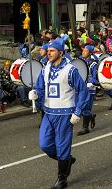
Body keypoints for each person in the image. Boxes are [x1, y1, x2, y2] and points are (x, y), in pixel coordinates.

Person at [28, 38, 89, 189]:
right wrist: (36, 93)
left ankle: (62, 178)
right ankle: (67, 160)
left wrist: (78, 112)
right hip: (48, 113)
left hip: (64, 114)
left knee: (62, 147)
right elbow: (41, 88)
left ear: (61, 52)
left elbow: (83, 91)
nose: (48, 53)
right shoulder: (45, 68)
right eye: (48, 51)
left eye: (52, 51)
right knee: (45, 145)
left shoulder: (71, 70)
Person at [77, 45, 99, 136]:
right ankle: (91, 116)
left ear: (90, 53)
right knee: (78, 106)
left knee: (86, 107)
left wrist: (91, 83)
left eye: (85, 51)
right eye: (83, 50)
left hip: (89, 89)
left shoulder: (93, 64)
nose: (83, 52)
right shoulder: (80, 61)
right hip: (80, 88)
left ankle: (85, 127)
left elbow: (95, 78)